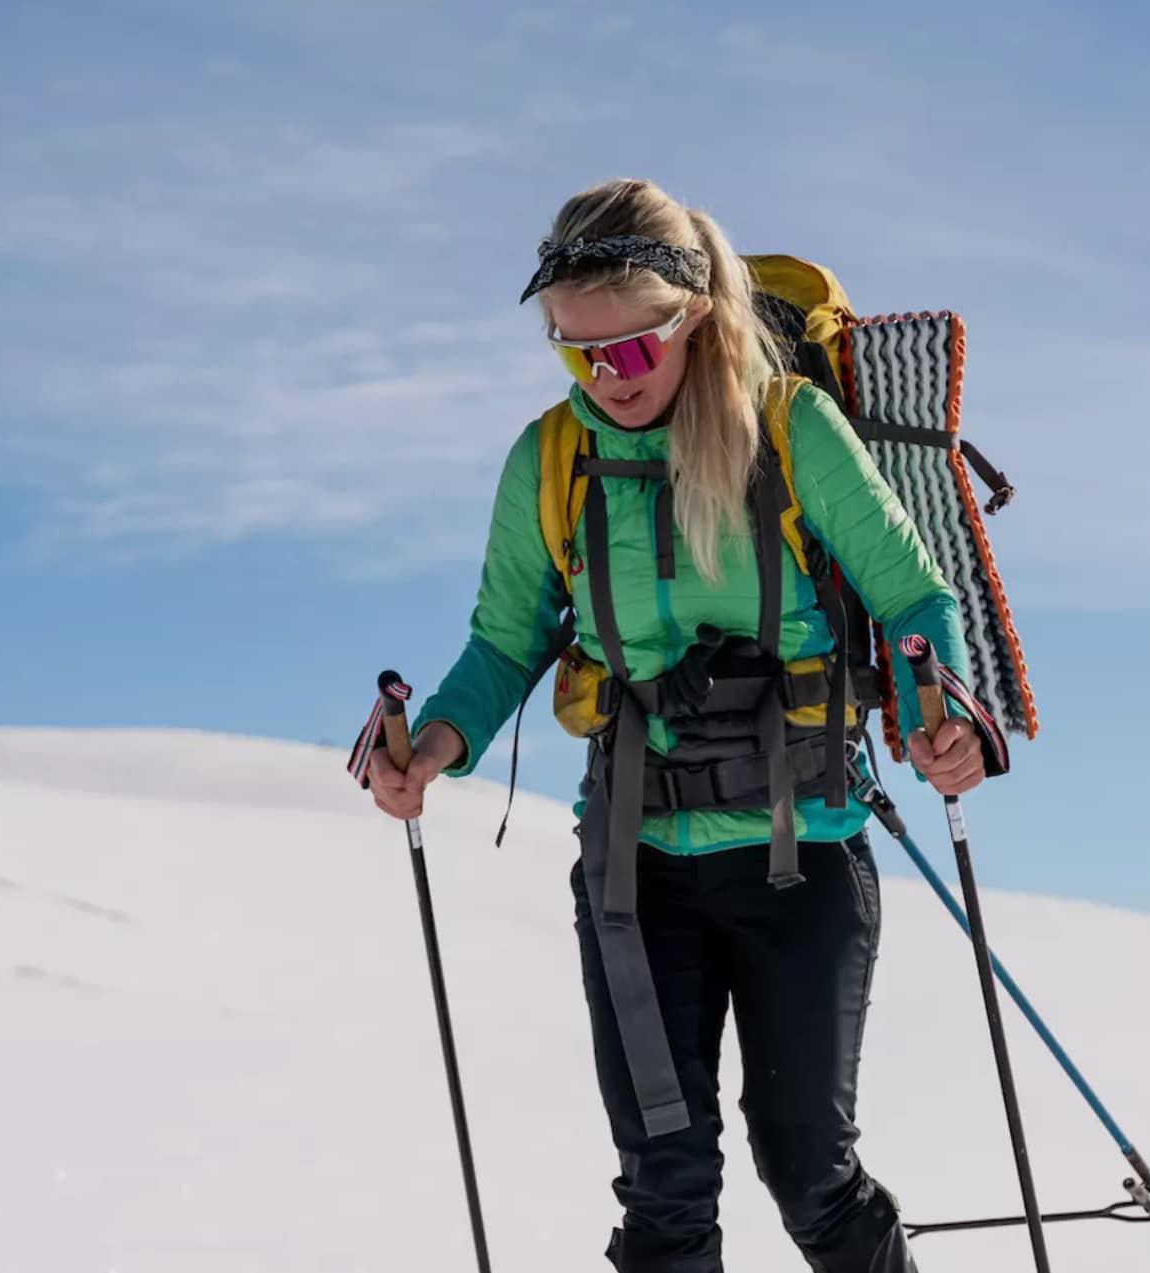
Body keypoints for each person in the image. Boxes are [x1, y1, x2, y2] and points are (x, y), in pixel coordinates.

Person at [363, 177, 994, 1273]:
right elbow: (506, 641)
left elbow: (913, 599)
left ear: (692, 318)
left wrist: (941, 715)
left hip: (805, 857)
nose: (603, 378)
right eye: (573, 353)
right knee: (664, 1189)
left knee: (809, 1173)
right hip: (633, 867)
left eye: (627, 350)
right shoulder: (548, 462)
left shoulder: (793, 430)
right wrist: (433, 747)